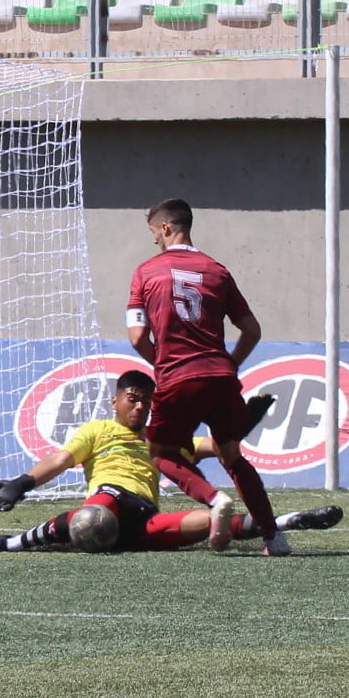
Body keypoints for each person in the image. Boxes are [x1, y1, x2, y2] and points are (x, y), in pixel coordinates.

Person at [0, 370, 342, 553]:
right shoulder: (98, 430)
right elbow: (61, 459)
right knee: (91, 516)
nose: (140, 406)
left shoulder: (162, 440)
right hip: (109, 500)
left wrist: (244, 423)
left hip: (143, 518)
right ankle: (7, 544)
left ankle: (291, 520)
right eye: (132, 399)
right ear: (115, 401)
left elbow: (219, 446)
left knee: (212, 520)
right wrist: (21, 484)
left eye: (146, 401)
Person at [125, 198, 287, 555]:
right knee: (231, 454)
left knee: (161, 452)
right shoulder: (217, 271)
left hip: (177, 376)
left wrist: (163, 364)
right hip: (220, 375)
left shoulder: (146, 272)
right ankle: (274, 538)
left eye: (153, 232)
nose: (154, 239)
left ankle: (215, 501)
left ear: (166, 228)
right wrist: (230, 364)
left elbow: (137, 337)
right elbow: (252, 330)